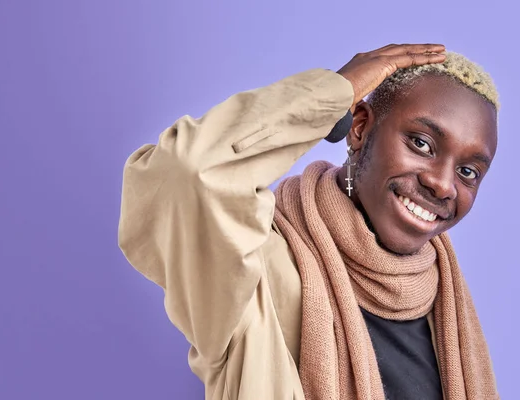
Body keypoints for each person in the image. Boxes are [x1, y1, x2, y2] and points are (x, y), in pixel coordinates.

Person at [118, 43, 500, 400]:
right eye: (421, 143)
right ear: (360, 127)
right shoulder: (260, 267)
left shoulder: (443, 298)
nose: (442, 184)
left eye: (468, 171)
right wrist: (333, 95)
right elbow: (187, 174)